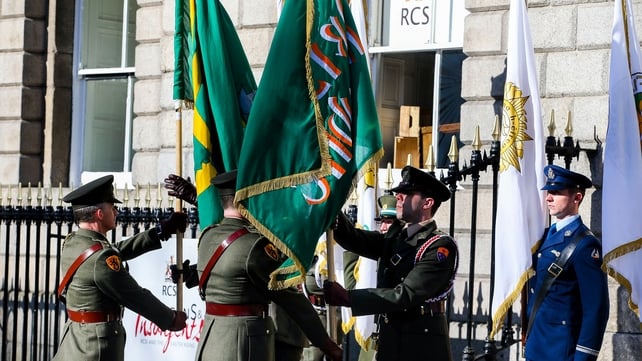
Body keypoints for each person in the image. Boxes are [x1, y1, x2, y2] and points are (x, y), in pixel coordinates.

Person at [165, 171, 342, 361]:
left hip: (279, 331)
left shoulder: (286, 201)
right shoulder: (249, 240)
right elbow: (242, 254)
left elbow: (258, 240)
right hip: (250, 333)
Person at [323, 165, 458, 361]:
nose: (399, 198)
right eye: (399, 193)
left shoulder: (439, 247)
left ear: (427, 202)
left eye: (407, 194)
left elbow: (406, 294)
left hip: (421, 344)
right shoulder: (396, 238)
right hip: (392, 337)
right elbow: (354, 238)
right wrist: (332, 201)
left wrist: (348, 298)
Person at [53, 175, 188, 361]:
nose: (116, 211)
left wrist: (159, 231)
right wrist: (171, 319)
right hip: (95, 348)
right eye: (112, 207)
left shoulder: (74, 242)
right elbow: (135, 295)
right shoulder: (100, 258)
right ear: (99, 214)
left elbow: (113, 251)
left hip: (77, 340)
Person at [524, 164, 609, 361]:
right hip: (537, 344)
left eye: (556, 192)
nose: (548, 198)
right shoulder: (544, 236)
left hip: (561, 350)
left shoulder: (585, 245)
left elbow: (596, 308)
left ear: (577, 198)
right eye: (548, 192)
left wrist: (584, 356)